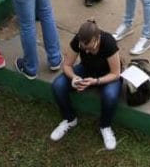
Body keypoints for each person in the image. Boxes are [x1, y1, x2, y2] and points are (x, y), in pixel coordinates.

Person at [49, 19, 122, 151]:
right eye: (84, 48)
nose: (87, 52)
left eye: (90, 48)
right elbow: (66, 65)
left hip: (107, 75)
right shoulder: (79, 40)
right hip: (86, 69)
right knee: (58, 85)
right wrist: (74, 77)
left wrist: (96, 81)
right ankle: (69, 119)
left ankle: (105, 126)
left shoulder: (109, 42)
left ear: (97, 38)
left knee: (110, 96)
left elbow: (116, 73)